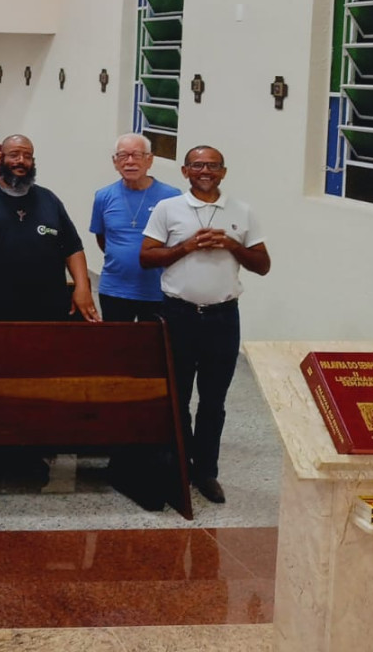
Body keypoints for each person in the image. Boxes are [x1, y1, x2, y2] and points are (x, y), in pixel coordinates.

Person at [141, 146, 270, 505]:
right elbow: (146, 256)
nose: (205, 171)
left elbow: (262, 264)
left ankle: (206, 472)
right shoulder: (168, 208)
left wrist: (230, 244)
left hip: (222, 317)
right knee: (177, 397)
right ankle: (178, 467)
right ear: (184, 171)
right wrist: (186, 247)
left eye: (213, 166)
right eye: (197, 165)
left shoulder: (242, 211)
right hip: (179, 314)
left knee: (214, 400)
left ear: (223, 173)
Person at [0, 135, 97, 323]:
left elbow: (73, 248)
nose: (21, 161)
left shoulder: (50, 200)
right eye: (14, 155)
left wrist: (82, 286)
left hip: (48, 307)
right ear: (0, 158)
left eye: (27, 156)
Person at [90, 134, 182, 322]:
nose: (129, 161)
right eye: (123, 156)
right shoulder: (103, 196)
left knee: (153, 348)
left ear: (150, 160)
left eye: (137, 155)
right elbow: (102, 238)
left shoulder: (172, 196)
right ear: (115, 162)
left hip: (157, 290)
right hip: (114, 289)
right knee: (116, 347)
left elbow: (177, 240)